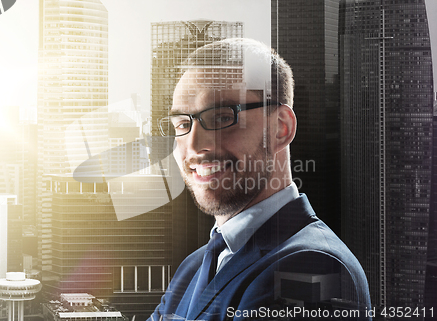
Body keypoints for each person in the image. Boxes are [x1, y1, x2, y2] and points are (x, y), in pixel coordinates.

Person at [149, 38, 371, 321]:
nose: (193, 146)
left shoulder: (314, 268)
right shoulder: (193, 268)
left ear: (280, 128)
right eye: (182, 124)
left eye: (220, 118)